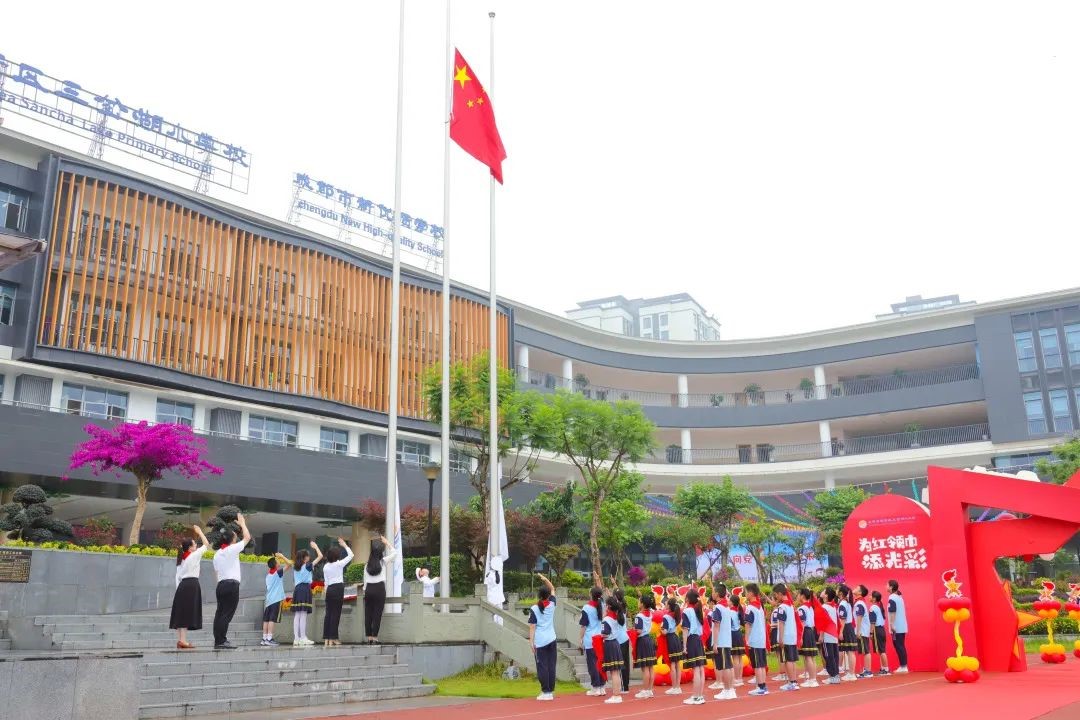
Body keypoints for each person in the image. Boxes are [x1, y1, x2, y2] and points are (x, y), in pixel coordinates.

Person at [212, 512, 251, 650]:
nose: (237, 538)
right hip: (231, 585)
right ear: (232, 540)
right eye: (235, 536)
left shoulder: (217, 553)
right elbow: (247, 538)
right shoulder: (231, 549)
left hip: (221, 585)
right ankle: (222, 641)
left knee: (220, 613)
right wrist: (243, 524)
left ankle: (218, 640)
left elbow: (216, 573)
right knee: (227, 614)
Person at [169, 525, 210, 650]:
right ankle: (183, 641)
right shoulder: (194, 555)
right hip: (191, 585)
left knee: (181, 613)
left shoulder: (181, 559)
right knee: (186, 613)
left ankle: (181, 640)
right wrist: (200, 532)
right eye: (194, 544)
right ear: (190, 547)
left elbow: (177, 577)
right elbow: (206, 544)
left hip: (182, 586)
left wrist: (178, 590)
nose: (196, 545)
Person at [527, 573, 558, 701]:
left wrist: (531, 642)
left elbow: (532, 627)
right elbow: (553, 589)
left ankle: (546, 691)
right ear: (548, 595)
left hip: (540, 641)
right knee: (551, 665)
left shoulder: (534, 608)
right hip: (552, 639)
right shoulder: (552, 604)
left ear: (539, 595)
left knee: (542, 666)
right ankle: (550, 691)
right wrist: (545, 579)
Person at [363, 534, 397, 644]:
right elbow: (395, 553)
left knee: (368, 613)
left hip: (369, 589)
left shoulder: (366, 565)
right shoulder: (382, 562)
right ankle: (375, 637)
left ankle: (369, 637)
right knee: (377, 613)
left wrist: (365, 590)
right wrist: (387, 543)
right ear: (380, 554)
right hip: (379, 589)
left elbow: (365, 581)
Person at [322, 537, 354, 647]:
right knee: (335, 614)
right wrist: (345, 545)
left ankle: (326, 638)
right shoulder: (339, 564)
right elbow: (351, 555)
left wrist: (326, 591)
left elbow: (326, 582)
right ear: (336, 556)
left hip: (329, 589)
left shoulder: (325, 566)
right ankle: (333, 638)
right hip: (338, 589)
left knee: (328, 614)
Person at [289, 542, 322, 646]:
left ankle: (296, 639)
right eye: (307, 555)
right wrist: (316, 547)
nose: (309, 557)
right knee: (303, 614)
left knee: (297, 615)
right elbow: (320, 556)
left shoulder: (296, 566)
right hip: (304, 589)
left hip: (297, 589)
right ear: (304, 557)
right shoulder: (307, 566)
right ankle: (303, 637)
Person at [709, 584, 738, 701]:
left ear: (717, 594)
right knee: (728, 666)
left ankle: (727, 690)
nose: (712, 593)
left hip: (721, 641)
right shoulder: (726, 607)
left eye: (713, 591)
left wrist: (715, 643)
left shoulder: (718, 607)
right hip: (726, 640)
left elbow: (716, 626)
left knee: (726, 667)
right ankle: (730, 689)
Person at [680, 589, 707, 705]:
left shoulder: (687, 611)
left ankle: (696, 697)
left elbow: (685, 629)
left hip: (691, 640)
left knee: (696, 669)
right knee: (700, 669)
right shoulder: (698, 610)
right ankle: (699, 696)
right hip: (698, 640)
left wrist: (684, 646)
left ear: (687, 599)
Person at [772, 584, 800, 692]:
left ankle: (791, 682)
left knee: (788, 660)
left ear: (780, 594)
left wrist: (780, 638)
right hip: (792, 636)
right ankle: (793, 681)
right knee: (792, 660)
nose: (775, 597)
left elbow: (781, 623)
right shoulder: (791, 606)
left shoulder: (782, 607)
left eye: (775, 595)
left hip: (786, 636)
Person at [579, 586, 606, 696]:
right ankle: (602, 686)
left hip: (590, 639)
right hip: (601, 638)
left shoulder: (586, 608)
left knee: (592, 664)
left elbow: (583, 625)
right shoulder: (603, 605)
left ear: (591, 594)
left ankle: (595, 687)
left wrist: (580, 638)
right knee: (601, 663)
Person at [743, 583, 769, 696]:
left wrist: (746, 639)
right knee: (761, 665)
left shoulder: (750, 608)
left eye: (746, 592)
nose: (745, 594)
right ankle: (763, 686)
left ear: (751, 593)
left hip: (754, 639)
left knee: (757, 665)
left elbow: (748, 625)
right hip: (761, 639)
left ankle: (760, 687)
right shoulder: (760, 607)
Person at [599, 594, 624, 704]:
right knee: (616, 672)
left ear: (608, 606)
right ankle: (617, 694)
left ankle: (616, 695)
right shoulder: (616, 617)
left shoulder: (607, 619)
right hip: (615, 643)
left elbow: (604, 633)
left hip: (610, 644)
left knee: (613, 672)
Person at [633, 592, 658, 699]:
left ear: (642, 604)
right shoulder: (650, 614)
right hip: (649, 640)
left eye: (639, 601)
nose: (638, 603)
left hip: (642, 641)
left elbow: (638, 631)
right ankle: (649, 690)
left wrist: (632, 632)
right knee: (650, 667)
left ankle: (646, 690)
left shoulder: (639, 616)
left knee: (645, 668)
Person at [262, 553, 290, 646]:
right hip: (276, 599)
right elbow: (289, 564)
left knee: (266, 619)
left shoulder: (268, 576)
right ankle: (269, 639)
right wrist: (282, 556)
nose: (279, 562)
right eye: (278, 561)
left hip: (269, 600)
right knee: (272, 619)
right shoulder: (277, 573)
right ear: (275, 564)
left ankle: (264, 639)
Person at [796, 588, 819, 687]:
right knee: (811, 657)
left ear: (802, 596)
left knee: (808, 657)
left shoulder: (802, 608)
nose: (797, 596)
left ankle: (812, 680)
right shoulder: (810, 607)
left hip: (805, 632)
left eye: (798, 594)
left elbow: (802, 623)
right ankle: (813, 678)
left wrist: (800, 637)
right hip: (811, 631)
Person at [611, 586, 631, 694]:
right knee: (625, 663)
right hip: (625, 638)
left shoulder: (616, 609)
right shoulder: (623, 605)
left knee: (621, 663)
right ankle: (625, 686)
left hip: (619, 639)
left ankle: (623, 687)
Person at [662, 597, 684, 696]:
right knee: (677, 664)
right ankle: (677, 687)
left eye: (666, 603)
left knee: (672, 665)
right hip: (676, 638)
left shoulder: (666, 617)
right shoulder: (676, 615)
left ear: (669, 606)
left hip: (670, 639)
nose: (665, 604)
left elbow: (665, 632)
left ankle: (674, 687)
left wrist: (660, 629)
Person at [819, 588, 841, 685]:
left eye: (823, 591)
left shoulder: (824, 607)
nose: (822, 592)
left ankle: (832, 676)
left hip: (827, 636)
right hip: (833, 635)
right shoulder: (833, 607)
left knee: (828, 656)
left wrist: (821, 635)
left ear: (826, 595)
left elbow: (823, 622)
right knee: (834, 656)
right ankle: (836, 675)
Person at [887, 579, 909, 674]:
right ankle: (903, 665)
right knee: (900, 646)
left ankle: (903, 666)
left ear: (891, 587)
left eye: (887, 585)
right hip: (901, 626)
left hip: (896, 627)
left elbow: (892, 611)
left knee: (899, 646)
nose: (886, 587)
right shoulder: (899, 597)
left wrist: (892, 624)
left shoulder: (892, 597)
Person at [837, 584, 858, 681]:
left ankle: (851, 673)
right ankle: (851, 673)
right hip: (849, 627)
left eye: (838, 589)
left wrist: (841, 632)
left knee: (850, 652)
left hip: (846, 628)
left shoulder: (843, 604)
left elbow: (843, 619)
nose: (836, 590)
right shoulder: (847, 602)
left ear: (841, 593)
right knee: (850, 652)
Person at [853, 584, 873, 678]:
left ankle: (868, 671)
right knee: (864, 650)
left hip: (862, 631)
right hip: (862, 630)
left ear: (860, 592)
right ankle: (866, 670)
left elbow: (859, 617)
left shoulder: (859, 603)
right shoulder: (859, 602)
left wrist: (858, 631)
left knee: (866, 651)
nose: (854, 588)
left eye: (857, 588)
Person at [870, 591, 890, 675]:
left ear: (874, 598)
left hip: (877, 630)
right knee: (881, 650)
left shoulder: (873, 607)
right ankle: (883, 668)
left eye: (871, 596)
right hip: (881, 629)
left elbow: (872, 622)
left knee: (881, 651)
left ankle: (886, 669)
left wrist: (871, 632)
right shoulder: (878, 607)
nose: (870, 597)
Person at [730, 587, 746, 687]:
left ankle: (736, 678)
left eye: (729, 601)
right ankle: (739, 678)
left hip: (733, 634)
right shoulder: (738, 611)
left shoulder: (731, 612)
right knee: (739, 658)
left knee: (735, 657)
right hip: (739, 634)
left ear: (732, 603)